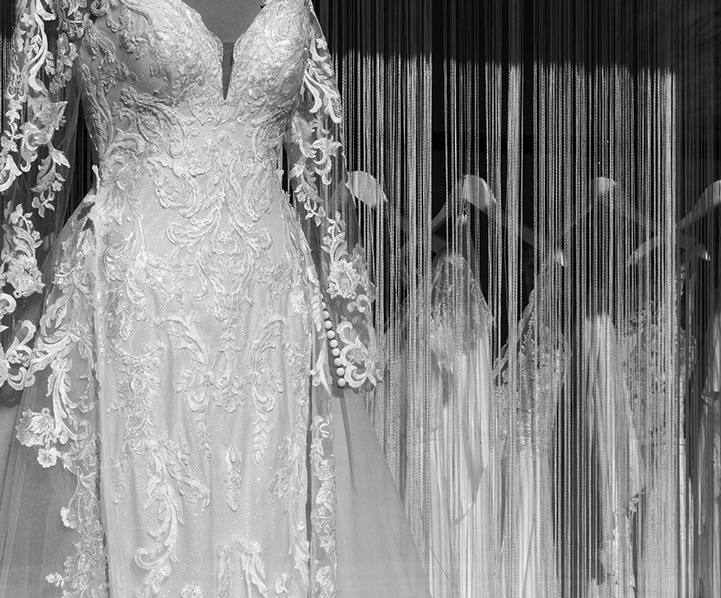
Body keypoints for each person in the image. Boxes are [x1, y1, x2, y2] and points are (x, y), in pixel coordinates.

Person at [0, 0, 429, 596]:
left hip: (274, 317)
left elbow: (318, 174)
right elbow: (24, 173)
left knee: (273, 539)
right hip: (136, 308)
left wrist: (345, 327)